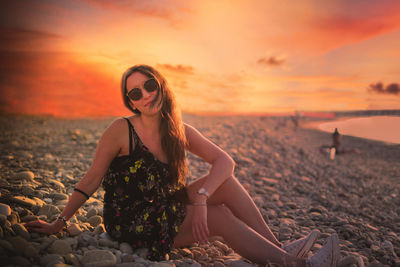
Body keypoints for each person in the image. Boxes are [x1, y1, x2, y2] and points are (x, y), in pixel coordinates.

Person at [26, 65, 340, 266]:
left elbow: (224, 162)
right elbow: (92, 178)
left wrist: (201, 196)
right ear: (131, 102)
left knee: (225, 186)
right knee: (218, 217)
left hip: (167, 207)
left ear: (160, 85)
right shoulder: (120, 129)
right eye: (137, 93)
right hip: (134, 221)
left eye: (150, 86)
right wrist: (60, 222)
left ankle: (279, 248)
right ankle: (295, 265)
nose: (146, 95)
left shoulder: (177, 129)